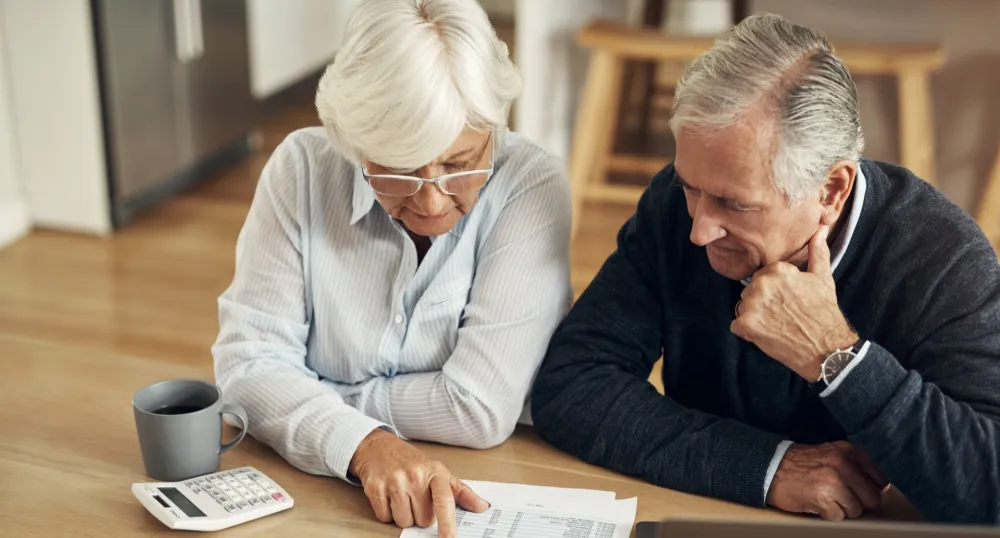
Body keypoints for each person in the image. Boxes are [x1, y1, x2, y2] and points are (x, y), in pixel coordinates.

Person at [531, 13, 1000, 525]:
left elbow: (989, 486)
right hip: (708, 515)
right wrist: (767, 468)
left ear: (831, 190)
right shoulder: (675, 203)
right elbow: (572, 383)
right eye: (691, 187)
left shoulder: (942, 258)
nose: (699, 230)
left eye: (735, 205)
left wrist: (836, 357)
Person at [212, 1, 573, 536]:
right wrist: (364, 443)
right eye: (399, 169)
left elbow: (478, 409)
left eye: (458, 165)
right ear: (353, 142)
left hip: (491, 482)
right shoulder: (302, 168)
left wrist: (305, 390)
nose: (431, 203)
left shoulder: (531, 183)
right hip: (321, 491)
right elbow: (246, 370)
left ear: (493, 129)